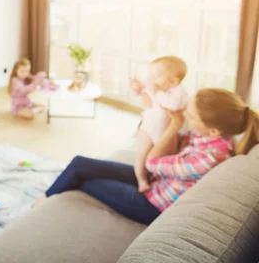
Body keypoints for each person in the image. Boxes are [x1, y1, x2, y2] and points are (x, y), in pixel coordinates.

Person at [33, 88, 259, 225]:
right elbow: (176, 144)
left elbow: (152, 162)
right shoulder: (218, 139)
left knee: (82, 179)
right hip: (155, 183)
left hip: (151, 206)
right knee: (79, 163)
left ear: (214, 130)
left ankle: (40, 206)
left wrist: (175, 124)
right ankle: (46, 196)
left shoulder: (208, 159)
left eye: (191, 116)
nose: (187, 119)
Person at [130, 56, 189, 192]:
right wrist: (139, 92)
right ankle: (141, 180)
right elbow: (148, 104)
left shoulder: (178, 92)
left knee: (166, 157)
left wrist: (155, 92)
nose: (151, 80)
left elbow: (174, 105)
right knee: (142, 155)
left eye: (155, 76)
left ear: (173, 81)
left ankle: (159, 178)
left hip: (166, 134)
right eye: (150, 75)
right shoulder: (159, 91)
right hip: (148, 129)